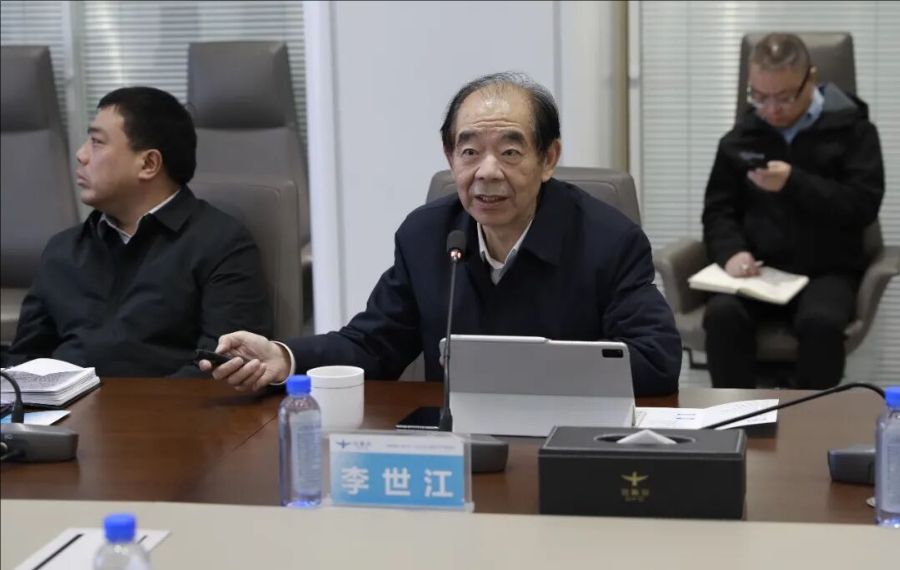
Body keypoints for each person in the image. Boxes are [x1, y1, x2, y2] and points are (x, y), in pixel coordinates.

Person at [202, 72, 681, 396]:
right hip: (456, 447)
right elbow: (373, 344)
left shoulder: (607, 240)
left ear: (548, 158)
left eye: (510, 152)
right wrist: (284, 356)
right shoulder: (427, 235)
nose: (486, 172)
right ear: (449, 156)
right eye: (469, 152)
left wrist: (533, 372)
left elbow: (656, 360)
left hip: (566, 441)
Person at [6, 86, 273, 376]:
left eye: (97, 142)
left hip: (168, 404)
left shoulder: (220, 243)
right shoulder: (63, 249)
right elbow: (23, 364)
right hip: (65, 404)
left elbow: (222, 367)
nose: (81, 155)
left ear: (148, 163)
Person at [702, 34, 884, 389]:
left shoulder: (854, 132)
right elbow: (718, 210)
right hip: (759, 270)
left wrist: (794, 182)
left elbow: (862, 206)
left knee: (821, 324)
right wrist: (731, 252)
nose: (772, 110)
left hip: (827, 270)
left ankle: (812, 421)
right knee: (722, 315)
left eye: (784, 98)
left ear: (810, 78)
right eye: (759, 97)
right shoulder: (740, 139)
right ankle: (735, 417)